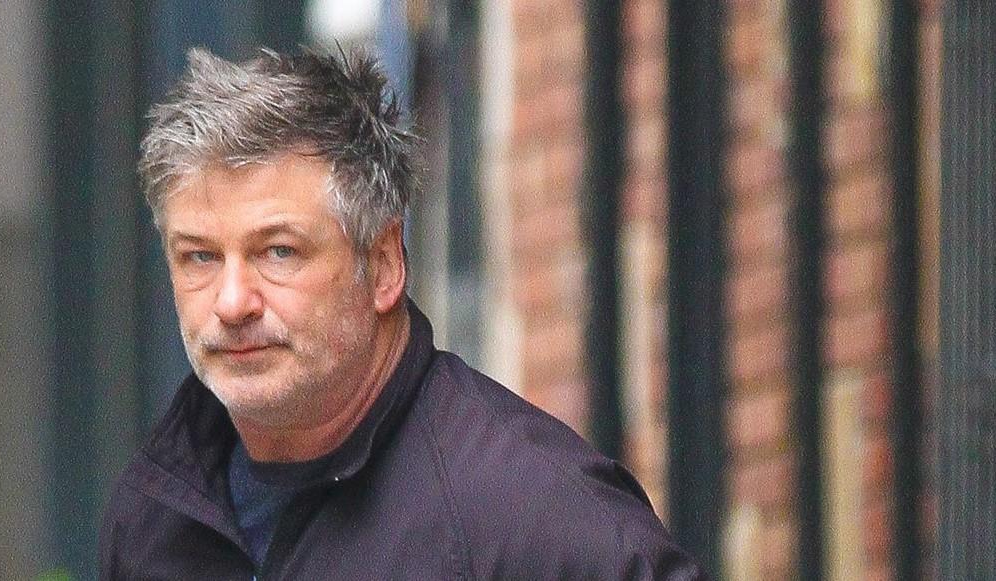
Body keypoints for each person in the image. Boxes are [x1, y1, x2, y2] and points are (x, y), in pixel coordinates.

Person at [99, 47, 706, 580]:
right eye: (200, 257)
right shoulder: (156, 514)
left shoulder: (531, 514)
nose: (232, 302)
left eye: (279, 251)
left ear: (385, 263)